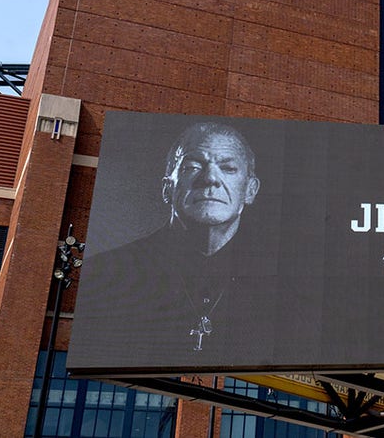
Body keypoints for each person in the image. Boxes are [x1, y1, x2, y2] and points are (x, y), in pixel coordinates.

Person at [76, 121, 277, 365]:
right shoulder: (103, 274)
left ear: (250, 190)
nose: (211, 178)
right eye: (192, 166)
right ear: (167, 188)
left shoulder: (284, 285)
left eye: (228, 168)